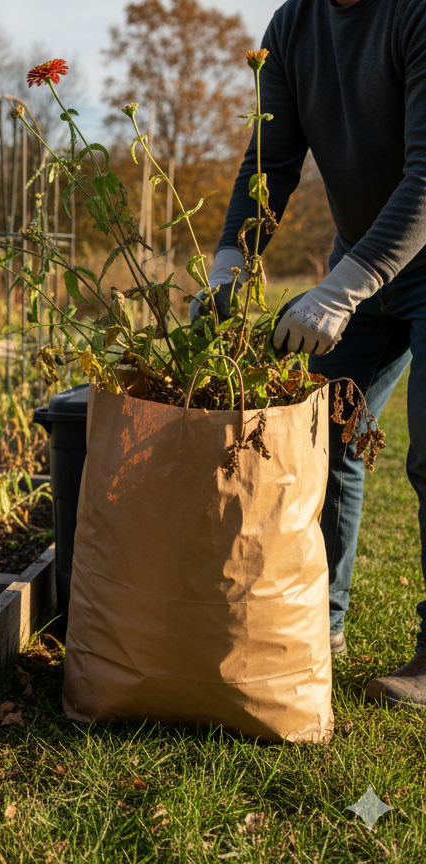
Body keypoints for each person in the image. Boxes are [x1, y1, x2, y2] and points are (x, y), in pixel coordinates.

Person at [193, 0, 426, 709]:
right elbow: (270, 160)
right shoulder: (292, 28)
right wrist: (232, 259)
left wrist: (340, 291)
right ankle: (317, 623)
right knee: (322, 439)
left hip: (399, 257)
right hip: (361, 262)